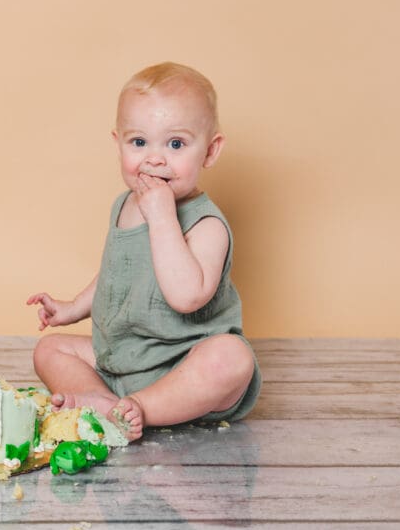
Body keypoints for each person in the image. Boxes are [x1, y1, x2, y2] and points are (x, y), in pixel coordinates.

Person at [27, 62, 261, 442]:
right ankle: (106, 404)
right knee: (49, 350)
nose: (155, 159)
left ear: (210, 151)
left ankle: (143, 408)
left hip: (182, 366)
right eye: (139, 143)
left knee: (233, 359)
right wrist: (72, 308)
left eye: (175, 144)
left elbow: (186, 297)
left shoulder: (207, 225)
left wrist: (164, 218)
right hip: (122, 359)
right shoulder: (125, 204)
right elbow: (119, 270)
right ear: (118, 143)